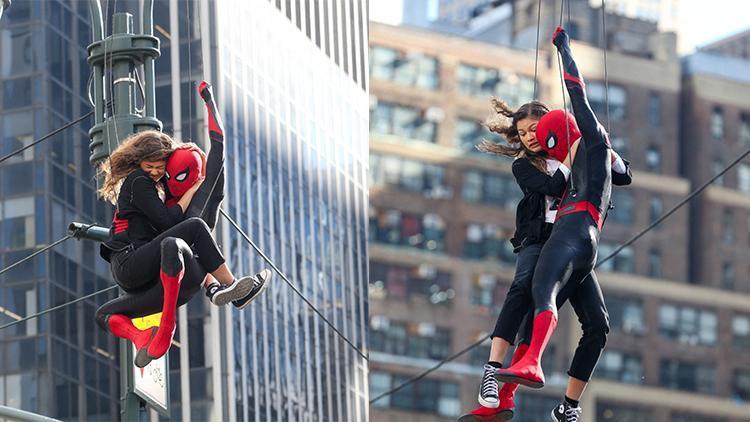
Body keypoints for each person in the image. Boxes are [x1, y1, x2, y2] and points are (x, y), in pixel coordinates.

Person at [460, 73, 631, 421]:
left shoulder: (581, 149)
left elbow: (622, 174)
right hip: (540, 240)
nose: (529, 138)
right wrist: (570, 158)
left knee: (598, 324)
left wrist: (601, 148)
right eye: (522, 134)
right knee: (526, 292)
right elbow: (553, 187)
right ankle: (493, 373)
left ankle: (568, 405)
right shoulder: (524, 165)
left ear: (550, 124)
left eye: (534, 130)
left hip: (576, 246)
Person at [95, 83, 269, 368]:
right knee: (188, 233)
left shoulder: (161, 190)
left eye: (159, 167)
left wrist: (210, 101)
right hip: (139, 266)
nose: (154, 172)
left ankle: (145, 338)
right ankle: (227, 287)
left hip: (168, 280)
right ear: (138, 163)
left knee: (104, 313)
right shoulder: (141, 184)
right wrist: (209, 100)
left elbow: (218, 148)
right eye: (149, 166)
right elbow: (169, 221)